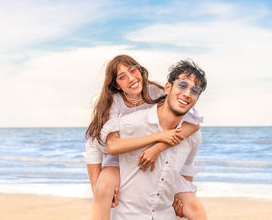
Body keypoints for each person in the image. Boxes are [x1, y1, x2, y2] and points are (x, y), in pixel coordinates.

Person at [85, 55, 206, 220]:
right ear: (116, 85)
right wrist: (97, 186)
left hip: (154, 146)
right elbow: (103, 146)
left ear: (140, 71)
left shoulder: (155, 91)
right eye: (122, 77)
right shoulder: (113, 103)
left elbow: (193, 124)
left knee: (195, 210)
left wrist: (158, 147)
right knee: (103, 188)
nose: (131, 78)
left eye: (133, 70)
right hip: (117, 156)